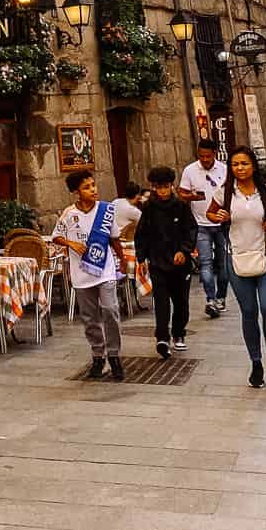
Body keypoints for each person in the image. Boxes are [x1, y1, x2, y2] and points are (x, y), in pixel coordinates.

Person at [206, 145, 266, 390]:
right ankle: (256, 362)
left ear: (253, 165)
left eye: (244, 163)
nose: (240, 168)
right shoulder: (224, 193)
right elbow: (210, 214)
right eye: (235, 164)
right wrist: (218, 217)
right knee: (249, 312)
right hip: (237, 259)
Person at [52, 167, 128, 381]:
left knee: (111, 310)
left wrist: (122, 259)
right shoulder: (69, 214)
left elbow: (114, 238)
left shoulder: (105, 211)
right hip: (81, 273)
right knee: (89, 317)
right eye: (87, 187)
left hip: (104, 270)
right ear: (76, 191)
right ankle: (97, 355)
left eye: (93, 185)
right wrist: (70, 243)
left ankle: (114, 355)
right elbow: (56, 237)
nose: (93, 189)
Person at [132, 165, 197, 359]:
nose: (162, 191)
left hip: (179, 264)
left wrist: (184, 250)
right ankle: (162, 338)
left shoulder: (181, 207)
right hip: (158, 262)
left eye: (166, 186)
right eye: (158, 187)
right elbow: (141, 235)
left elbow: (191, 230)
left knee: (181, 302)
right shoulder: (149, 209)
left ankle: (178, 333)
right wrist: (141, 257)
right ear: (154, 188)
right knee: (161, 302)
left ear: (172, 186)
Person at [178, 136, 228, 318]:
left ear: (214, 154)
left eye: (208, 156)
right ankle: (210, 299)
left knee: (224, 264)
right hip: (200, 224)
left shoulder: (224, 169)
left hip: (222, 223)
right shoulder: (190, 170)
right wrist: (191, 197)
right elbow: (182, 193)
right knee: (205, 263)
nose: (205, 160)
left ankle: (221, 297)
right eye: (201, 156)